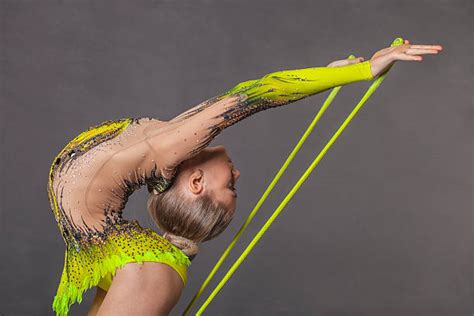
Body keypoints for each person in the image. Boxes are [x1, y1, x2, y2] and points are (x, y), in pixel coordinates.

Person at [47, 40, 442, 315]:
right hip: (115, 248)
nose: (237, 172)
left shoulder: (164, 151)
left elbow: (253, 96)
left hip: (129, 255)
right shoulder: (166, 143)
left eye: (230, 185)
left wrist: (362, 71)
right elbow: (248, 95)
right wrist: (331, 74)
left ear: (197, 183)